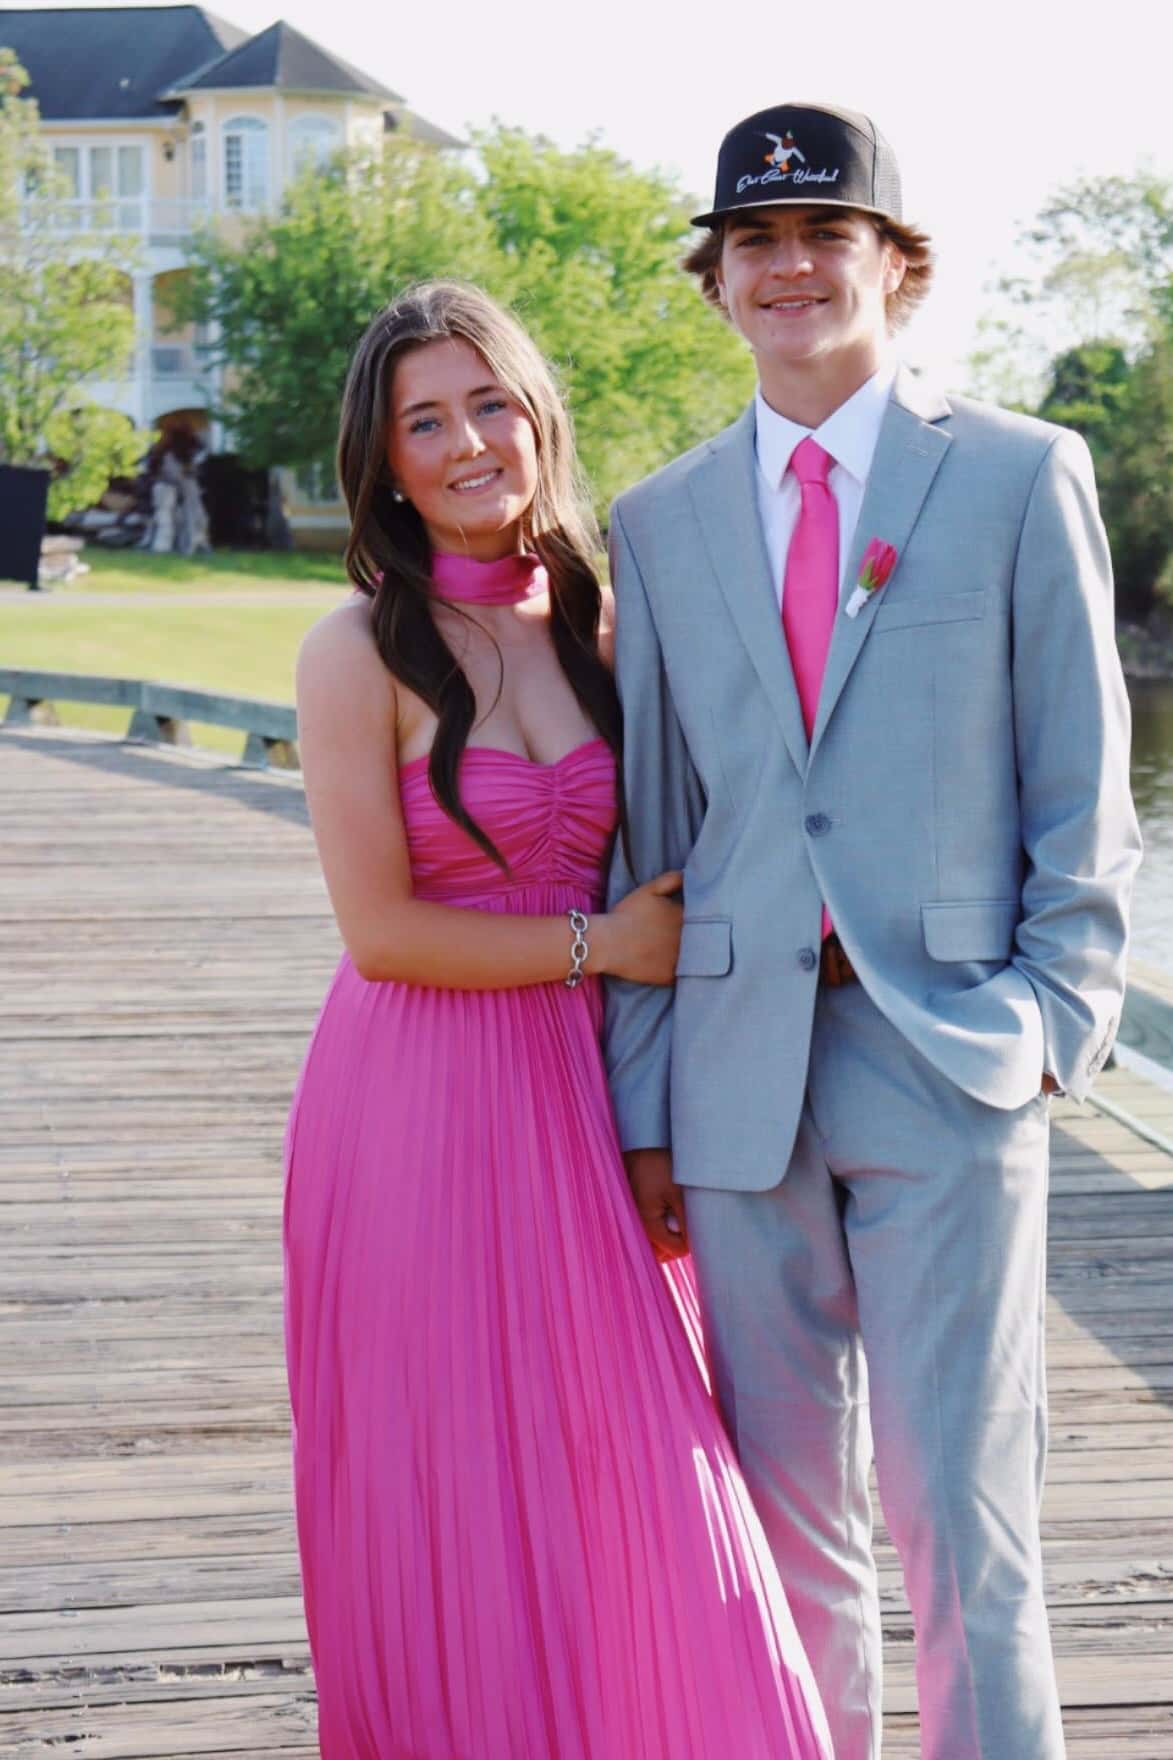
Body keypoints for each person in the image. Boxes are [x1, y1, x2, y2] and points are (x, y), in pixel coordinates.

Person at [605, 102, 1141, 1760]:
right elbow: (653, 826)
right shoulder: (659, 519)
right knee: (783, 1523)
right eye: (753, 241)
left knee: (961, 1508)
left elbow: (1082, 781)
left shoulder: (1016, 473)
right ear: (715, 279)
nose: (788, 267)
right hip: (735, 1078)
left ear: (893, 266)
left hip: (952, 1055)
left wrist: (1051, 1022)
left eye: (824, 235)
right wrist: (643, 1107)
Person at [283, 280, 832, 1759]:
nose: (468, 443)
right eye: (425, 421)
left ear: (538, 419)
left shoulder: (604, 615)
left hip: (588, 1097)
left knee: (639, 1461)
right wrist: (604, 943)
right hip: (415, 1105)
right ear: (383, 460)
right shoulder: (356, 649)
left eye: (491, 404)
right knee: (454, 1474)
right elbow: (380, 933)